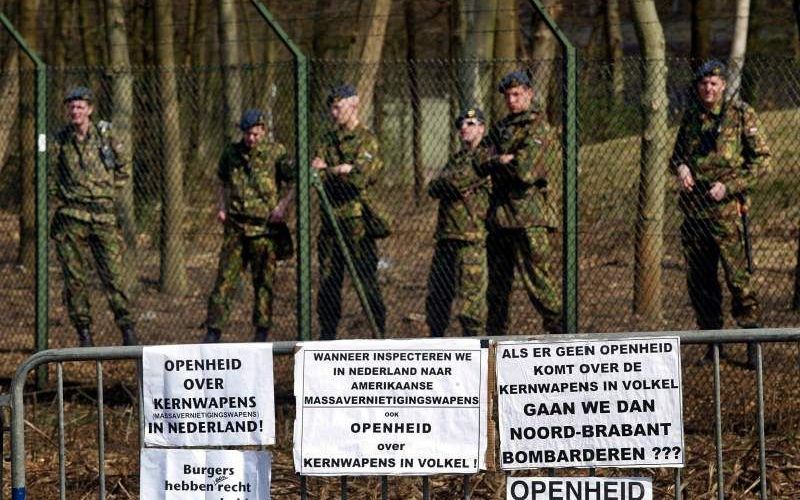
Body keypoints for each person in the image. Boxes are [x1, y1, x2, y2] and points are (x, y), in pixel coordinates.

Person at [670, 60, 770, 367]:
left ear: (724, 85)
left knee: (739, 280)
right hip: (695, 213)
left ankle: (753, 345)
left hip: (727, 213)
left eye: (714, 83)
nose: (708, 88)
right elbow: (676, 157)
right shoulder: (691, 117)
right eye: (703, 83)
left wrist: (730, 187)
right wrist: (681, 167)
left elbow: (763, 163)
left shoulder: (740, 115)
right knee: (700, 282)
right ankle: (713, 346)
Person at [476, 71, 562, 336]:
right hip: (500, 219)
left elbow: (525, 171)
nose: (512, 100)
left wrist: (499, 161)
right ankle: (495, 343)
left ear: (529, 93)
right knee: (497, 289)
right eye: (508, 95)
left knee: (539, 283)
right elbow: (478, 160)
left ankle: (562, 334)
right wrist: (501, 160)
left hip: (530, 217)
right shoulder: (502, 128)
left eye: (517, 94)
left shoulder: (538, 128)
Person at [50, 86, 138, 347]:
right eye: (71, 107)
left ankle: (127, 328)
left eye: (80, 107)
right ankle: (84, 332)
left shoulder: (105, 135)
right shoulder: (60, 140)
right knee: (74, 278)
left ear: (90, 109)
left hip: (103, 216)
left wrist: (107, 192)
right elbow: (48, 174)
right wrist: (65, 195)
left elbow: (124, 167)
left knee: (113, 275)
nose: (75, 111)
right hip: (71, 215)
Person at [203, 109, 294, 343]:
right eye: (247, 134)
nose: (251, 139)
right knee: (224, 281)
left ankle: (261, 333)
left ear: (263, 130)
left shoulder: (276, 153)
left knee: (263, 283)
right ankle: (213, 331)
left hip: (264, 230)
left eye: (255, 134)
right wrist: (221, 206)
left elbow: (295, 182)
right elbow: (221, 180)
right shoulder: (231, 153)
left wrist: (283, 207)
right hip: (236, 227)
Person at [311, 85, 388, 340]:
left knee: (366, 282)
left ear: (353, 105)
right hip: (330, 222)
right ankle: (327, 337)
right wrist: (340, 169)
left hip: (358, 223)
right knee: (328, 283)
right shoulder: (326, 139)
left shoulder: (367, 139)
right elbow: (314, 174)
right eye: (331, 108)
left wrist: (332, 170)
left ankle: (378, 334)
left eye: (338, 107)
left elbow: (358, 178)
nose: (334, 113)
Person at [425, 107, 490, 337]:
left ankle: (478, 358)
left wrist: (447, 183)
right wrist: (449, 184)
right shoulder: (457, 159)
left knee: (470, 306)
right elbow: (433, 188)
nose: (464, 128)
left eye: (470, 124)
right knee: (437, 300)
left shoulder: (486, 157)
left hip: (470, 238)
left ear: (481, 128)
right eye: (461, 124)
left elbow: (454, 183)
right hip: (446, 237)